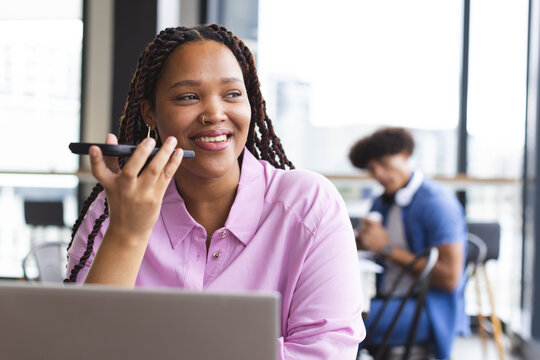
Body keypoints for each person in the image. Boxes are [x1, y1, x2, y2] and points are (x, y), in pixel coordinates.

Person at [65, 24, 364, 358]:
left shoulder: (310, 206)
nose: (215, 113)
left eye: (232, 94)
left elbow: (326, 351)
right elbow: (83, 348)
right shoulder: (115, 208)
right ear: (150, 112)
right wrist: (128, 232)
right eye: (188, 96)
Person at [349, 127, 469, 360]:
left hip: (429, 311)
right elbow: (372, 247)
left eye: (384, 163)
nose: (380, 174)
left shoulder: (436, 203)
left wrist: (386, 249)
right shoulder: (381, 202)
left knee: (342, 324)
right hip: (387, 297)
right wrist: (362, 241)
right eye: (372, 169)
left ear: (405, 155)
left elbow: (450, 278)